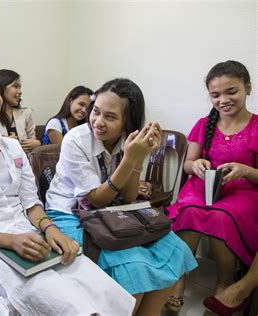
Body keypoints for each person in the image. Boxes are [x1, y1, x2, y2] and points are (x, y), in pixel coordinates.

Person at [0, 65, 136, 315]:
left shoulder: (12, 149)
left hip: (29, 237)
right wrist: (9, 240)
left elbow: (31, 204)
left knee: (99, 287)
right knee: (66, 302)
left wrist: (50, 229)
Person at [44, 78, 198, 316]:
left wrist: (138, 157)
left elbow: (127, 197)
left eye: (111, 117)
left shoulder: (130, 139)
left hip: (111, 213)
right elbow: (95, 199)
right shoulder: (75, 140)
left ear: (128, 121)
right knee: (133, 266)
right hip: (69, 214)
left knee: (174, 250)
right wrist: (129, 159)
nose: (98, 122)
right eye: (96, 112)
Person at [166, 60, 258, 313]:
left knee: (221, 216)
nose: (223, 100)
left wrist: (245, 170)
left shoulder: (257, 126)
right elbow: (188, 164)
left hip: (242, 192)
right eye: (215, 95)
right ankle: (178, 281)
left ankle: (224, 283)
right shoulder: (204, 124)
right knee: (190, 211)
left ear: (248, 88)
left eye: (232, 92)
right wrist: (195, 165)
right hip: (202, 188)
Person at [0, 69, 41, 153]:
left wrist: (37, 144)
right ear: (1, 87)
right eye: (15, 86)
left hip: (24, 161)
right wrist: (5, 142)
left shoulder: (26, 113)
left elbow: (33, 140)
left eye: (20, 87)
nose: (20, 92)